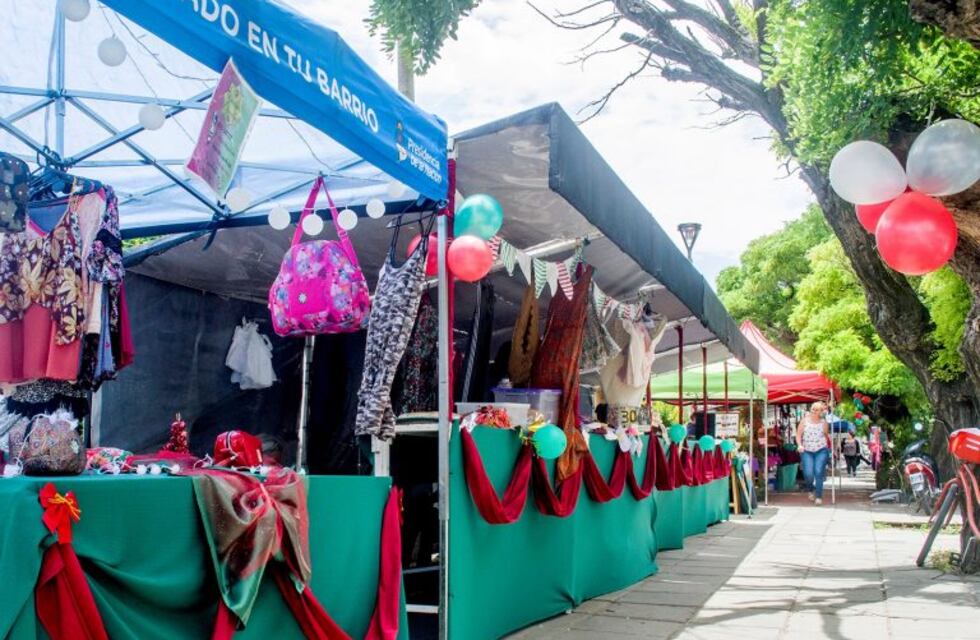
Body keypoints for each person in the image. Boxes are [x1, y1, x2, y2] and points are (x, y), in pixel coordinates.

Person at [796, 401, 831, 505]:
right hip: (807, 450)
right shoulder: (804, 421)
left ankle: (819, 496)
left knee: (819, 472)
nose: (814, 411)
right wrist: (799, 445)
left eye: (817, 410)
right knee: (808, 474)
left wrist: (828, 447)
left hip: (821, 450)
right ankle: (810, 489)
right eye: (813, 409)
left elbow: (826, 436)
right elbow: (798, 435)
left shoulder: (824, 423)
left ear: (821, 412)